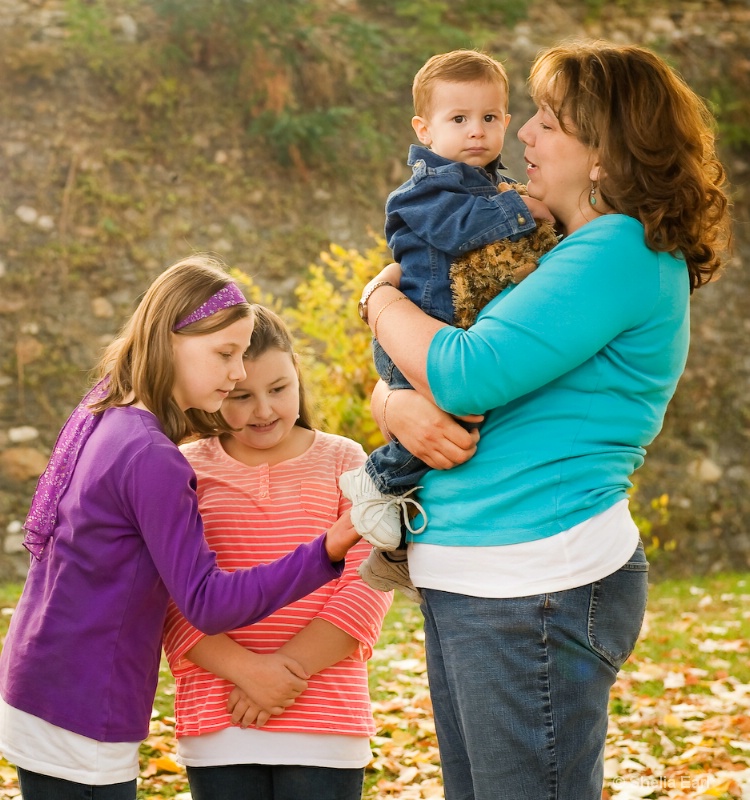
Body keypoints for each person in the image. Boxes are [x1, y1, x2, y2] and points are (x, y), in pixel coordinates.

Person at [356, 41, 732, 800]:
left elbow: (464, 373)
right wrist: (391, 403)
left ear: (603, 154)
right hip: (482, 578)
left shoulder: (622, 248)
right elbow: (426, 376)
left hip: (534, 585)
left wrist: (376, 299)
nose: (521, 134)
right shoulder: (553, 250)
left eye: (550, 122)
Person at [0, 256, 361, 800]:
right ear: (170, 339)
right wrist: (327, 548)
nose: (238, 372)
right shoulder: (153, 456)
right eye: (225, 354)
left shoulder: (108, 415)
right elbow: (206, 603)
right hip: (80, 700)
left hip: (45, 680)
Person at [162, 305, 392, 800]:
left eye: (279, 389)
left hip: (325, 713)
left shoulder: (345, 459)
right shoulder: (183, 468)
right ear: (216, 389)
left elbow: (367, 584)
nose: (263, 410)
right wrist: (247, 673)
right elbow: (169, 597)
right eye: (241, 396)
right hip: (217, 715)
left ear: (297, 376)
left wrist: (283, 673)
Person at [338, 49, 555, 562]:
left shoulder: (494, 184)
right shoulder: (422, 192)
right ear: (425, 130)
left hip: (449, 338)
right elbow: (456, 233)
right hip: (417, 340)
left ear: (505, 120)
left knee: (455, 434)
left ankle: (402, 513)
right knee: (438, 430)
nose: (476, 131)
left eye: (488, 118)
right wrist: (522, 208)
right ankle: (376, 484)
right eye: (458, 119)